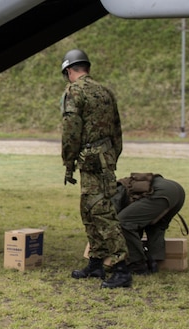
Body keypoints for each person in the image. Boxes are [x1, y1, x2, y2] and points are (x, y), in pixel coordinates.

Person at [60, 49, 132, 289]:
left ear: (69, 71)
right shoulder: (105, 92)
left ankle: (121, 268)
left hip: (90, 159)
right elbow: (117, 129)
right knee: (89, 211)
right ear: (87, 68)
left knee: (101, 213)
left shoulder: (74, 91)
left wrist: (68, 161)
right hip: (104, 158)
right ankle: (97, 262)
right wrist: (112, 156)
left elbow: (70, 129)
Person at [112, 173, 186, 274]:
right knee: (156, 226)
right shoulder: (122, 186)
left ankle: (137, 264)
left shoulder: (112, 194)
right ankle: (153, 262)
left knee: (124, 223)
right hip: (177, 190)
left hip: (161, 192)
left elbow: (114, 220)